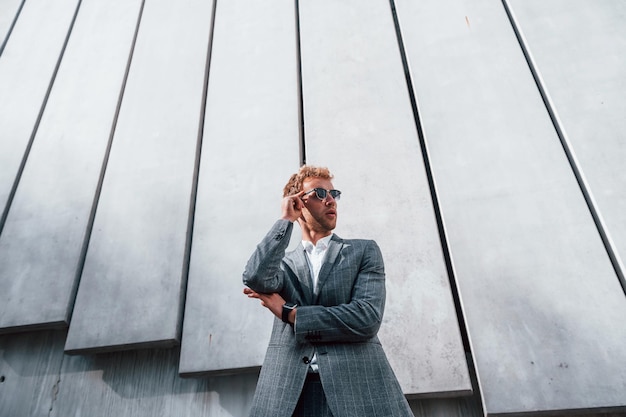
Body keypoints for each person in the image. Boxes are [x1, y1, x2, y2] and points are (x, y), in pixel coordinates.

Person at [242, 165, 413, 417]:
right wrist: (285, 220)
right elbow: (255, 277)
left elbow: (366, 318)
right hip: (290, 394)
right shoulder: (283, 264)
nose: (331, 200)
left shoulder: (363, 251)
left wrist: (292, 314)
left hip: (357, 390)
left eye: (334, 194)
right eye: (320, 193)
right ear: (298, 202)